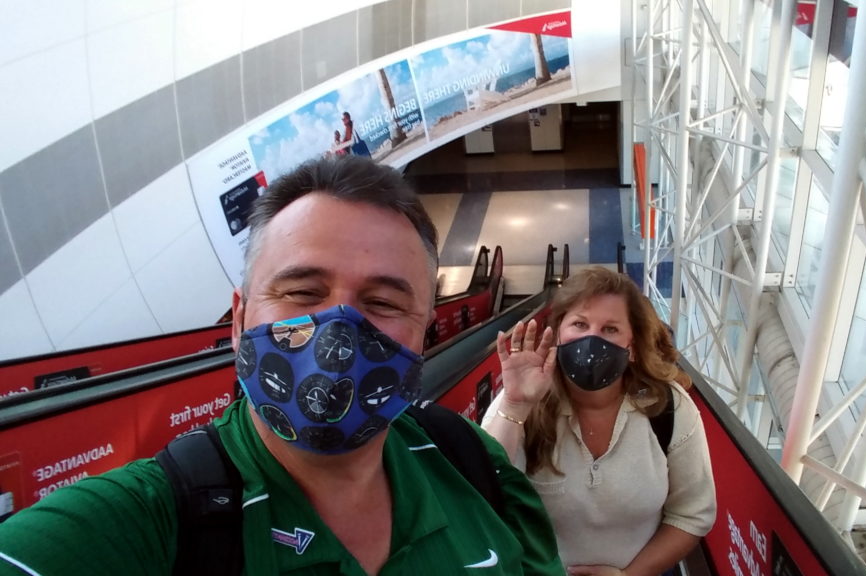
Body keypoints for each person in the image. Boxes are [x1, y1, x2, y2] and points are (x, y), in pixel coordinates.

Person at [0, 155, 563, 576]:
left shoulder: (470, 465)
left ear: (423, 332)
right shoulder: (144, 525)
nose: (339, 331)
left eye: (384, 303)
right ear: (240, 318)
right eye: (301, 290)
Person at [482, 266, 716, 576]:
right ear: (559, 334)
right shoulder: (521, 403)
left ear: (631, 348)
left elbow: (692, 514)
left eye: (610, 329)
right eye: (579, 324)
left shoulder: (668, 408)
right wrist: (516, 405)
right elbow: (482, 495)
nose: (592, 340)